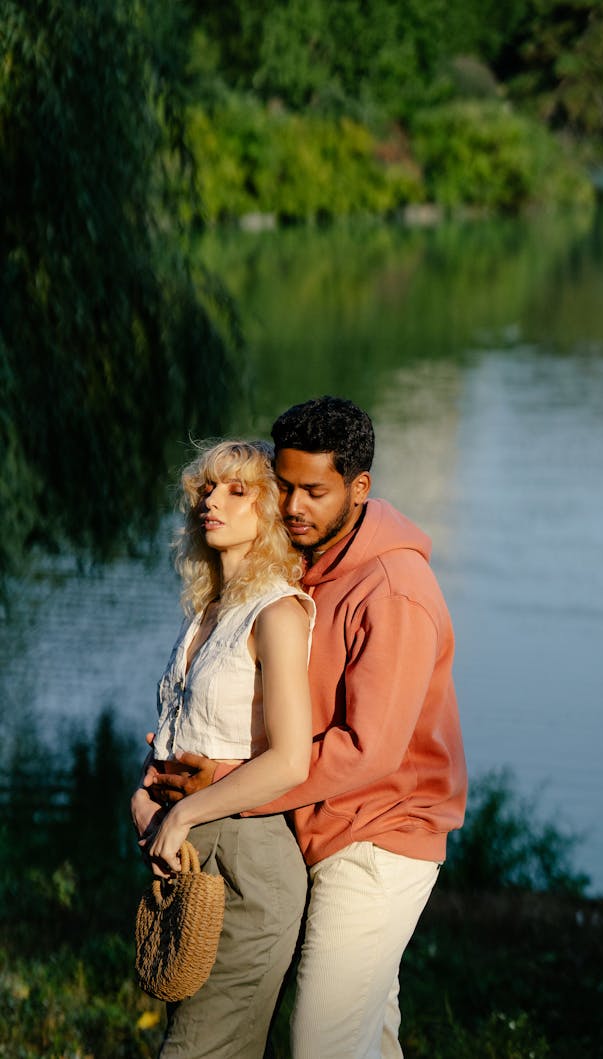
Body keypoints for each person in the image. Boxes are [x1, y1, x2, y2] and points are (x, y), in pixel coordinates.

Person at [147, 396, 468, 1059]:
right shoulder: (306, 561)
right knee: (363, 1036)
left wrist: (232, 779)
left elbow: (369, 751)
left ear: (360, 487)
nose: (293, 507)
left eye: (314, 492)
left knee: (319, 1041)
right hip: (315, 826)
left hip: (380, 836)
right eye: (284, 486)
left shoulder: (394, 591)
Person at [130, 439, 315, 1059]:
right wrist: (144, 794)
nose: (213, 500)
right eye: (207, 488)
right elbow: (182, 727)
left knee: (193, 1051)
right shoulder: (207, 611)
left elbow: (291, 760)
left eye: (238, 491)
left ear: (269, 512)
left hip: (248, 864)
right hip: (191, 860)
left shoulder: (278, 613)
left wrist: (180, 813)